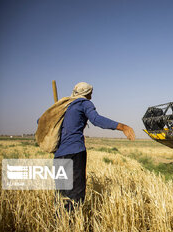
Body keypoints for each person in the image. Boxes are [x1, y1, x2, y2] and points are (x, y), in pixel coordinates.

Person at [55, 82, 135, 211]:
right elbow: (96, 120)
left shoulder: (64, 105)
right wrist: (122, 127)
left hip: (59, 154)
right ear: (87, 93)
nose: (91, 95)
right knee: (75, 194)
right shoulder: (83, 103)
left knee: (61, 194)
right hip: (75, 152)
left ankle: (60, 224)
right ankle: (71, 224)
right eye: (91, 93)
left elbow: (41, 120)